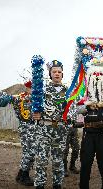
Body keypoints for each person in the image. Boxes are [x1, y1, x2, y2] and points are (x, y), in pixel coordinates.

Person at [32, 60, 68, 189]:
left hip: (60, 129)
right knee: (41, 160)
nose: (57, 74)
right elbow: (33, 104)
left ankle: (57, 185)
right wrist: (34, 113)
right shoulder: (42, 89)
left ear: (62, 74)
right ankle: (39, 185)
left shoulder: (68, 91)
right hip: (44, 129)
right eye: (54, 72)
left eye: (59, 72)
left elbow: (72, 110)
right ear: (50, 73)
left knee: (58, 161)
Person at [78, 104, 103, 189]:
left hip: (102, 133)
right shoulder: (85, 94)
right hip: (88, 134)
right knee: (85, 163)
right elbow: (78, 110)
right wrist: (88, 106)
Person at [13, 80, 35, 186]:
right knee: (29, 152)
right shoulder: (23, 98)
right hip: (27, 127)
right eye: (32, 88)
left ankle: (20, 174)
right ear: (28, 88)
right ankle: (24, 175)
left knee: (30, 152)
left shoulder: (34, 98)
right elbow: (24, 115)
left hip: (32, 128)